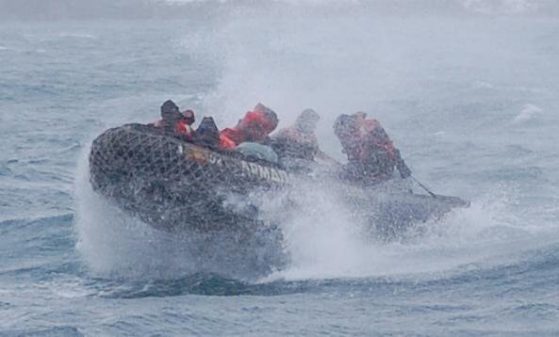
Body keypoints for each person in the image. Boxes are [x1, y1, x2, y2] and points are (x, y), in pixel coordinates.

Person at [334, 112, 411, 183]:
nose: (342, 139)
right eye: (340, 136)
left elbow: (390, 148)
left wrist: (401, 165)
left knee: (351, 171)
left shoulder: (370, 131)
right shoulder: (350, 141)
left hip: (379, 166)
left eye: (343, 134)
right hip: (373, 169)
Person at [272, 108, 336, 164]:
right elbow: (271, 142)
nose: (314, 126)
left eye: (314, 123)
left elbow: (317, 152)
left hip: (306, 164)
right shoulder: (287, 132)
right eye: (311, 122)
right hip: (287, 162)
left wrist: (333, 162)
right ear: (303, 120)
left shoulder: (311, 137)